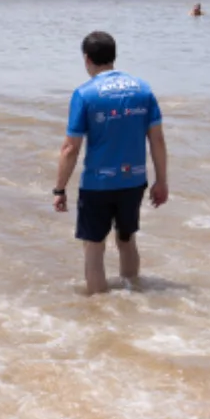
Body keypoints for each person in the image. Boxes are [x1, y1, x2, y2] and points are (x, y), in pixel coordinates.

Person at [53, 31, 168, 296]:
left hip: (98, 183)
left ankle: (100, 312)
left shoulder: (85, 94)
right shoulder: (143, 89)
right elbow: (158, 140)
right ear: (113, 56)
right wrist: (162, 181)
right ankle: (133, 295)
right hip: (134, 181)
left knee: (94, 246)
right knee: (127, 239)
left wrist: (59, 189)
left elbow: (70, 148)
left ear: (87, 59)